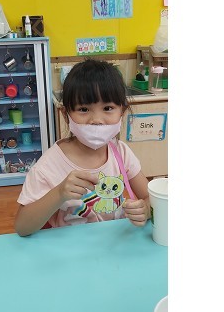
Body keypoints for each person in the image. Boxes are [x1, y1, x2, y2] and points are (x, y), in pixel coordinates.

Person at [14, 59, 151, 236]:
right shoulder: (48, 166)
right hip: (72, 247)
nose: (96, 120)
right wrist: (59, 194)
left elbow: (150, 197)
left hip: (115, 243)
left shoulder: (121, 152)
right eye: (84, 109)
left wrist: (145, 210)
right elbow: (22, 227)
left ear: (122, 112)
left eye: (108, 108)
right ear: (66, 115)